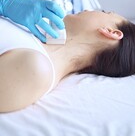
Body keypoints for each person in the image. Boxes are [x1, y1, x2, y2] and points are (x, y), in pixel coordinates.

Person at [0, 10, 135, 113]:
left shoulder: (36, 70)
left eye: (105, 12)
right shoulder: (36, 26)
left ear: (111, 32)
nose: (91, 9)